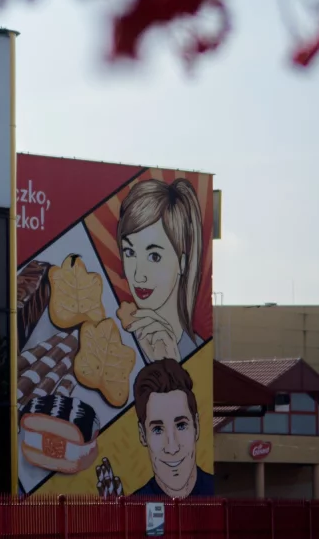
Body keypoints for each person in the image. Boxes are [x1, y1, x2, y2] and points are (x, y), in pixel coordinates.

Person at [116, 177, 204, 363]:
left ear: (182, 263)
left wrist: (171, 366)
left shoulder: (197, 354)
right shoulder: (117, 344)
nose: (138, 276)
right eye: (130, 252)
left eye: (154, 256)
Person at [130, 359, 213, 498]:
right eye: (157, 430)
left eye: (181, 426)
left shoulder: (217, 495)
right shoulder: (134, 505)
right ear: (142, 435)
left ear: (197, 427)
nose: (172, 448)